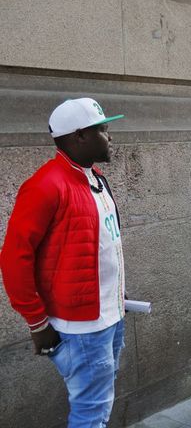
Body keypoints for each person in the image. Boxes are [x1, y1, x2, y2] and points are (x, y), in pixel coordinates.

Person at [0, 98, 126, 427]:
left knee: (99, 406)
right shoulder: (45, 185)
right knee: (91, 413)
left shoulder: (94, 178)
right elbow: (14, 258)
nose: (109, 136)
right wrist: (37, 323)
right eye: (102, 129)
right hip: (82, 330)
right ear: (79, 136)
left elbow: (102, 246)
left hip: (109, 317)